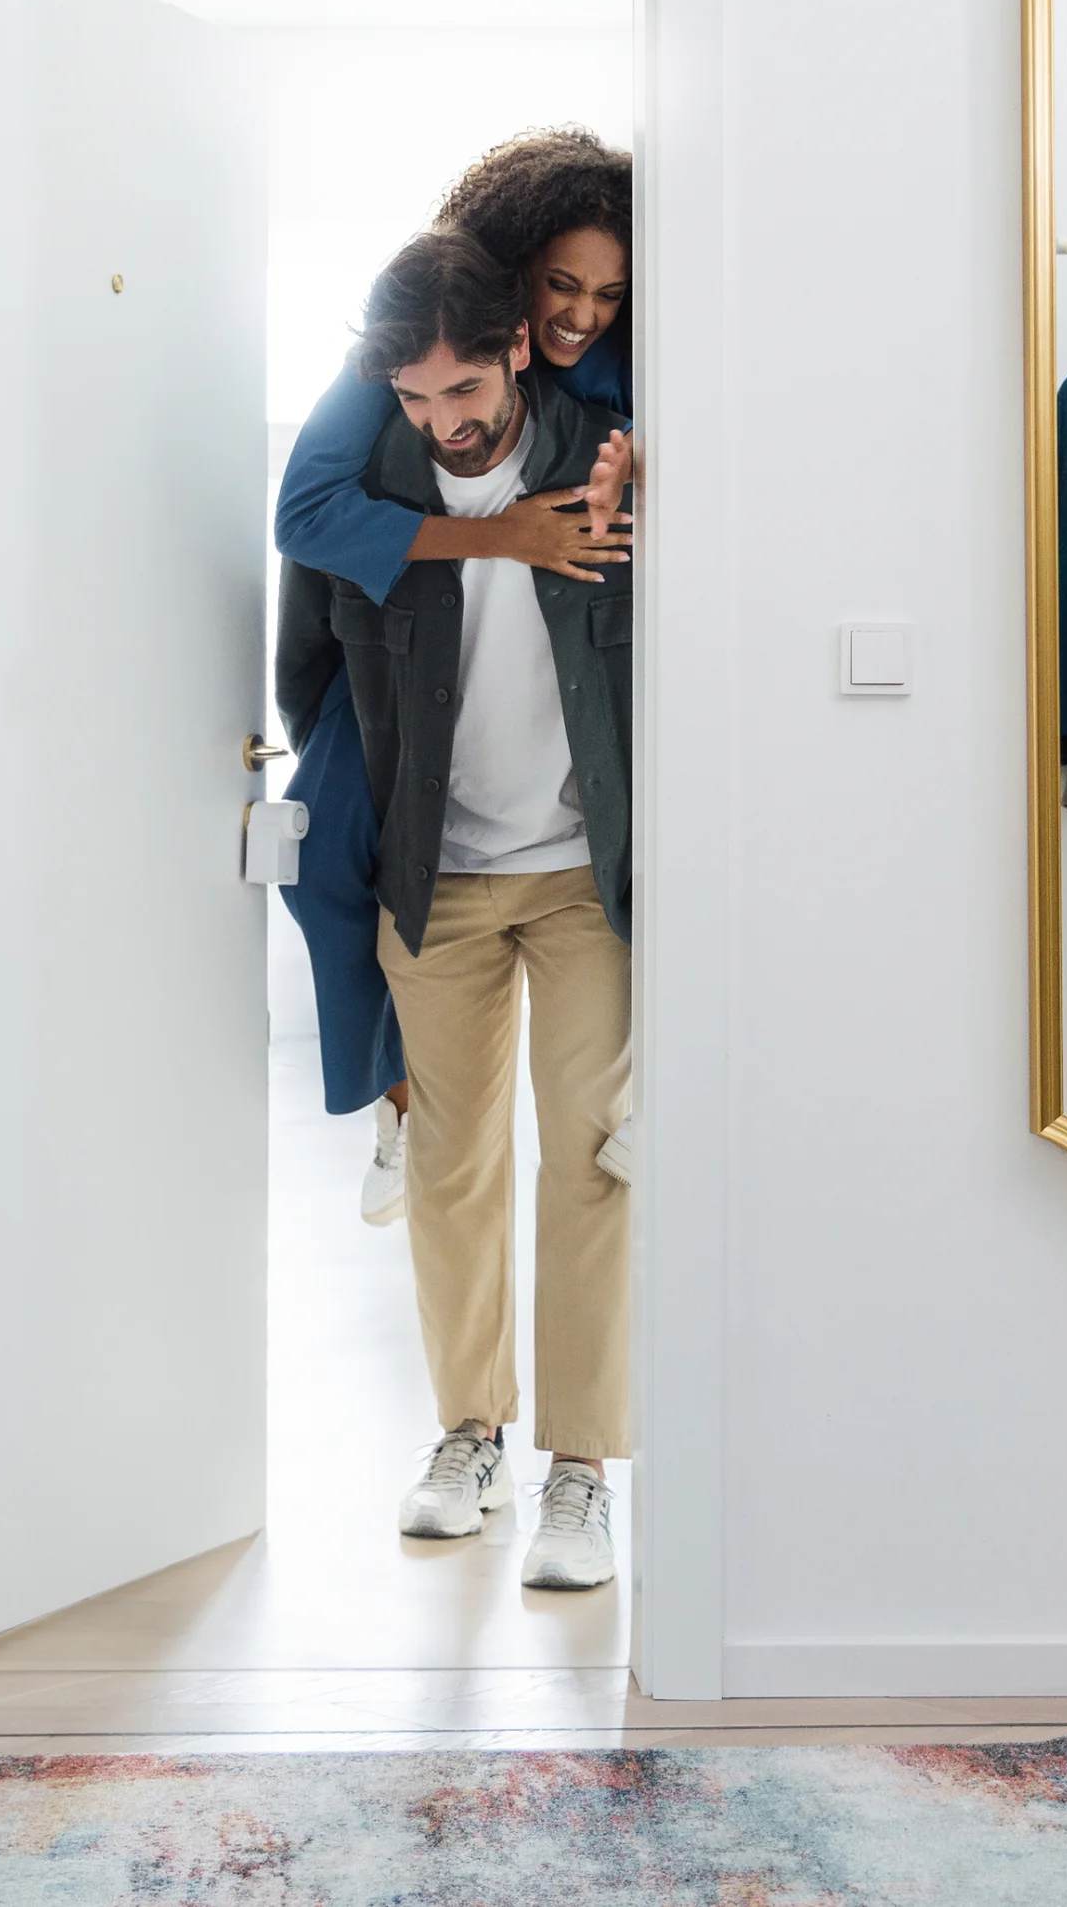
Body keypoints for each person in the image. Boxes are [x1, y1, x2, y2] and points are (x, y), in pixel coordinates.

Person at [294, 230, 635, 1593]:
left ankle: (582, 1470)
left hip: (577, 870)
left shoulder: (605, 447)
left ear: (512, 347)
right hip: (434, 869)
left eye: (462, 391)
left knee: (592, 1159)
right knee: (450, 1168)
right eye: (416, 398)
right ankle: (468, 1436)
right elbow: (304, 657)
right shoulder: (368, 478)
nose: (443, 419)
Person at [272, 131, 638, 1229]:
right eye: (560, 284)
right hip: (385, 662)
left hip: (554, 732)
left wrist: (633, 452)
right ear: (512, 287)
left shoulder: (617, 363)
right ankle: (394, 1104)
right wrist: (498, 539)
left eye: (607, 294)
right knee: (319, 856)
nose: (581, 314)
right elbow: (303, 514)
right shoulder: (405, 354)